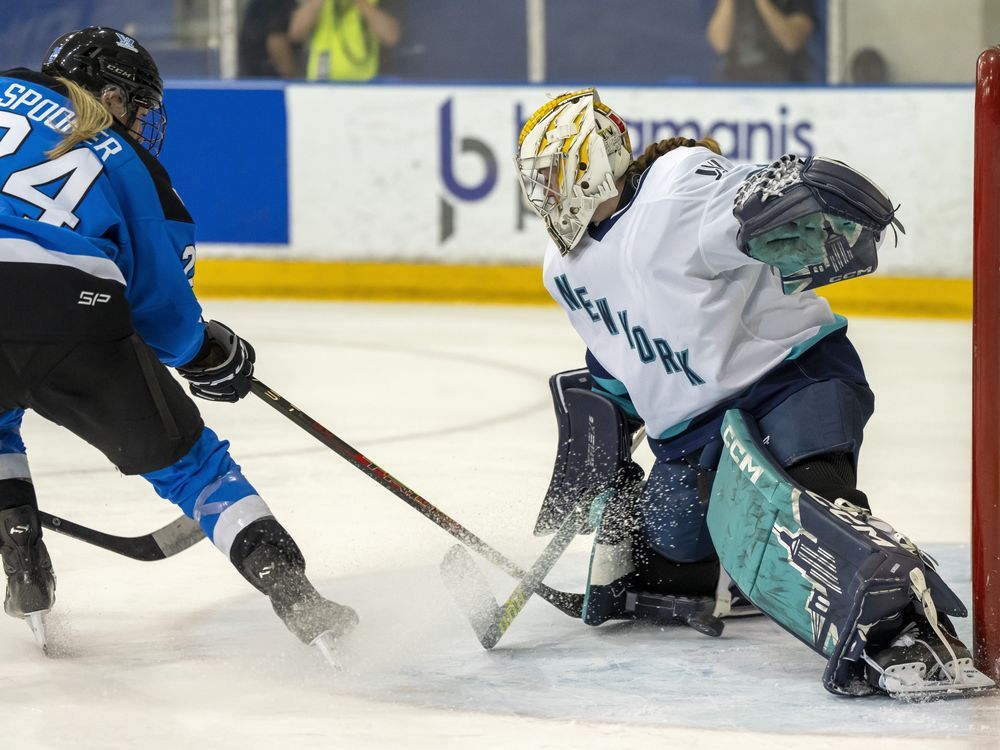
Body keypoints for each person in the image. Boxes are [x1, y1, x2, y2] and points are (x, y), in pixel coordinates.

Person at [515, 88, 996, 699]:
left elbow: (738, 203)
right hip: (692, 438)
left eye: (555, 173)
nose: (544, 194)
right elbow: (612, 363)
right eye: (536, 180)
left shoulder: (675, 185)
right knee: (671, 562)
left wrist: (775, 204)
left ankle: (905, 631)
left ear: (595, 160)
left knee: (810, 517)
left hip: (788, 382)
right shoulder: (563, 271)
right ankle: (727, 570)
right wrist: (604, 454)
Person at [0, 27, 357, 652]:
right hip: (64, 303)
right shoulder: (124, 159)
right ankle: (300, 602)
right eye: (137, 103)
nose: (142, 119)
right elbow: (159, 311)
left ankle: (19, 551)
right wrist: (206, 355)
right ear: (110, 96)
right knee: (195, 468)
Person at [706, 0, 817, 82]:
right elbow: (720, 44)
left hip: (784, 85)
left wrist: (763, 3)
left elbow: (791, 41)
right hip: (736, 85)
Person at [289, 0, 401, 81]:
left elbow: (391, 37)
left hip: (368, 84)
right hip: (322, 83)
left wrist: (361, 3)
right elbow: (296, 33)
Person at [238, 0, 302, 78]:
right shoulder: (274, 3)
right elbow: (277, 45)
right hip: (267, 82)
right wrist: (297, 80)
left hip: (254, 79)